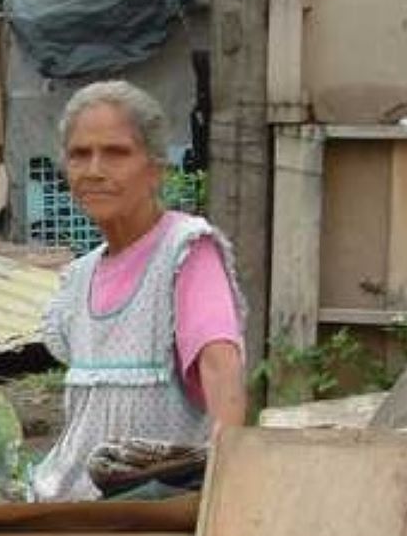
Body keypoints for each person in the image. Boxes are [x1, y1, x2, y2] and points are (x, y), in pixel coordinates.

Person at [32, 80, 247, 502]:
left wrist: (228, 489)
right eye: (80, 155)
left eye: (116, 153)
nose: (94, 169)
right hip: (70, 509)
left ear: (155, 169)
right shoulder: (78, 277)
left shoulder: (184, 250)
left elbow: (221, 366)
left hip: (150, 510)